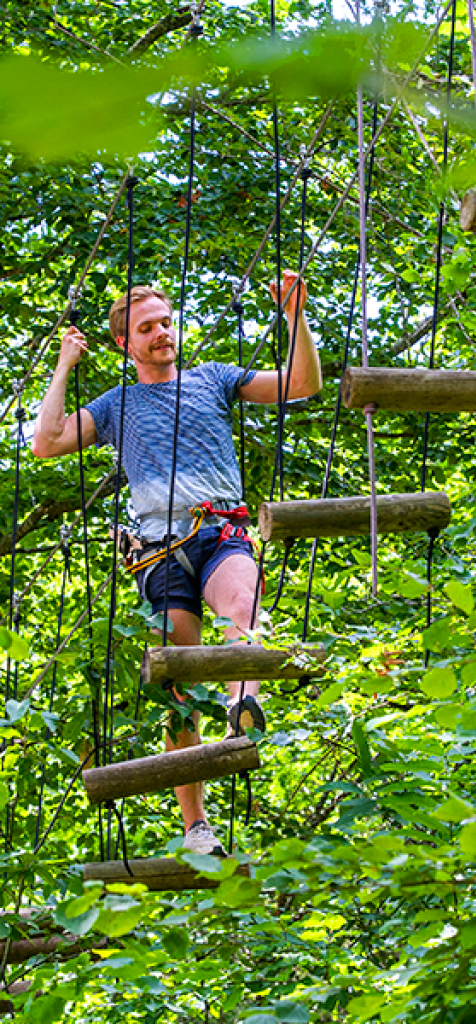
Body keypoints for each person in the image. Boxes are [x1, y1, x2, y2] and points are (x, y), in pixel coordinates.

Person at [32, 271, 322, 854]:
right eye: (147, 328)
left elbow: (301, 383)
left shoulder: (213, 379)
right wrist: (65, 364)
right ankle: (196, 827)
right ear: (126, 345)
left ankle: (243, 698)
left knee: (242, 604)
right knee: (178, 688)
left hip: (220, 528)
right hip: (160, 550)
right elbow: (47, 442)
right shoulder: (117, 405)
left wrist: (294, 314)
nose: (162, 333)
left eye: (166, 322)